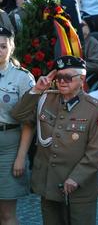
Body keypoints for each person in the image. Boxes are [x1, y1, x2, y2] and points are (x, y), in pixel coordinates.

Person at [11, 55, 98, 225]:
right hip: (48, 183)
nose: (62, 81)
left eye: (68, 77)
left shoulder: (95, 109)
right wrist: (37, 89)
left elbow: (96, 152)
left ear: (82, 79)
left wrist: (76, 178)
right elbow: (18, 115)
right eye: (59, 77)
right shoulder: (46, 98)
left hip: (79, 188)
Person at [0, 26, 35, 225]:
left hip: (9, 146)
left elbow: (28, 122)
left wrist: (21, 158)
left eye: (3, 46)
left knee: (6, 215)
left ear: (11, 48)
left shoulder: (22, 78)